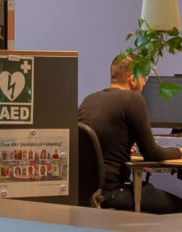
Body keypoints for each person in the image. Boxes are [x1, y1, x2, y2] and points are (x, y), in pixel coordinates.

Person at [78, 55, 182, 213]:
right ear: (132, 79)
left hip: (86, 193)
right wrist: (179, 152)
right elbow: (152, 153)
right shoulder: (133, 99)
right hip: (114, 193)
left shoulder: (89, 99)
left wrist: (122, 147)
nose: (144, 83)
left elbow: (97, 142)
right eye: (143, 78)